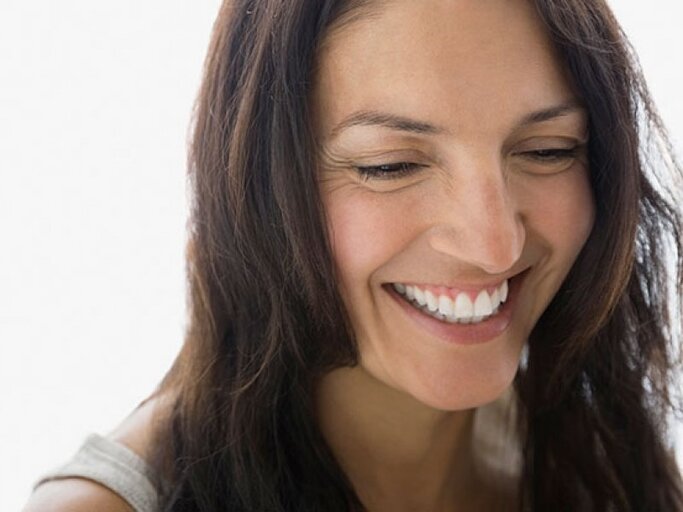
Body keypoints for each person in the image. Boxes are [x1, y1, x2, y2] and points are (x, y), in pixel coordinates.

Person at [24, 0, 683, 510]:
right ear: (259, 187)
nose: (493, 247)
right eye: (389, 166)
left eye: (548, 150)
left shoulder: (601, 462)